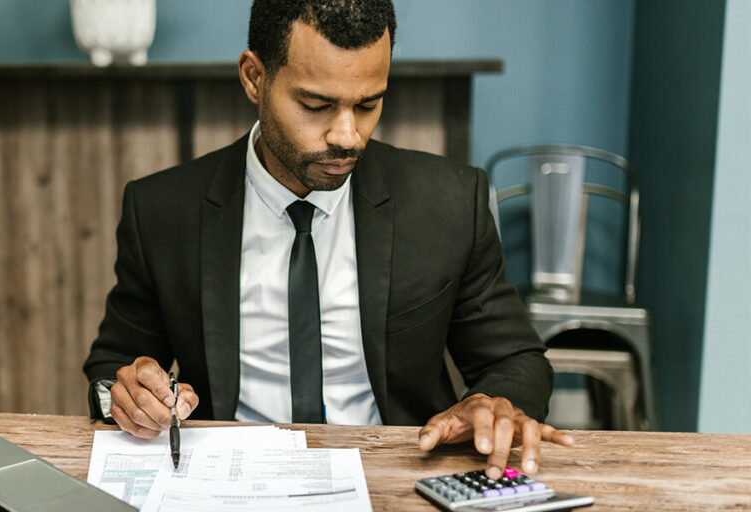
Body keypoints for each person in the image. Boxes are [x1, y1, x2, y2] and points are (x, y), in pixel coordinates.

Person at [83, 0, 573, 480]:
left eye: (368, 104)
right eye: (316, 105)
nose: (348, 136)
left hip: (399, 474)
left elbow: (515, 360)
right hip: (229, 480)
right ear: (254, 78)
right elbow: (112, 367)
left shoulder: (448, 203)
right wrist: (126, 394)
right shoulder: (163, 210)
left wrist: (493, 403)